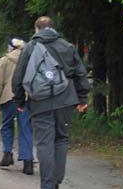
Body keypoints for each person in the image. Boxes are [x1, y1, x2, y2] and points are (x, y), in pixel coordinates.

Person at [12, 16, 90, 189]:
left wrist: (19, 100)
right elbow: (80, 73)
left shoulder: (30, 48)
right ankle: (56, 180)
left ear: (36, 29)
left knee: (44, 143)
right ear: (53, 28)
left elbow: (19, 75)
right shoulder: (67, 46)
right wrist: (82, 98)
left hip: (40, 102)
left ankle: (47, 184)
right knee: (61, 139)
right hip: (65, 100)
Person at [0, 38, 34, 175]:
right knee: (25, 127)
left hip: (8, 98)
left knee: (6, 125)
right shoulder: (30, 59)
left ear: (11, 47)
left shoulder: (4, 60)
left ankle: (7, 154)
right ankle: (28, 162)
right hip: (26, 98)